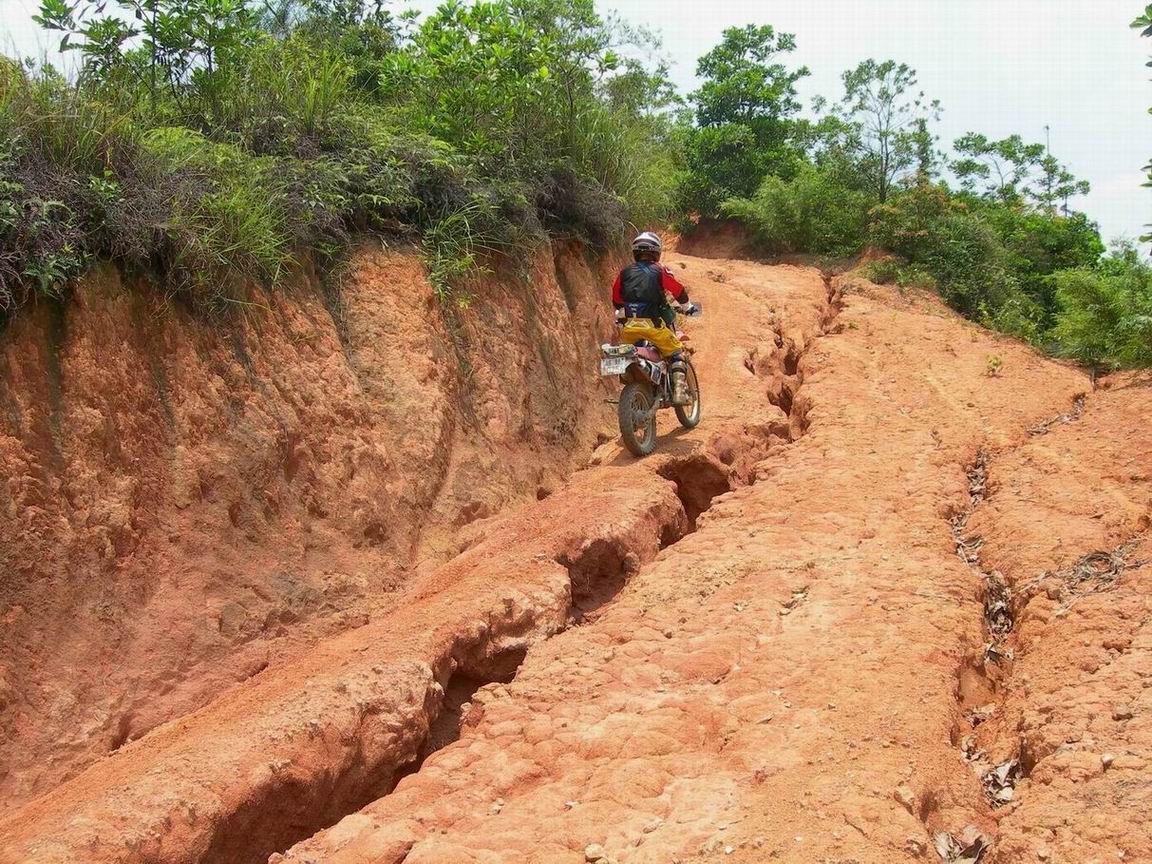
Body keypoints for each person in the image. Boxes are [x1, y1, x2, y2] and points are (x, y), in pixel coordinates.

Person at [611, 232, 698, 405]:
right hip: (653, 326)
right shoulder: (659, 270)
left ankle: (637, 386)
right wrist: (687, 307)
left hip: (629, 329)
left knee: (626, 352)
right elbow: (677, 290)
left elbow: (616, 298)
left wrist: (626, 309)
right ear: (656, 251)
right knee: (676, 352)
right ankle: (680, 392)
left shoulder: (624, 272)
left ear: (636, 252)